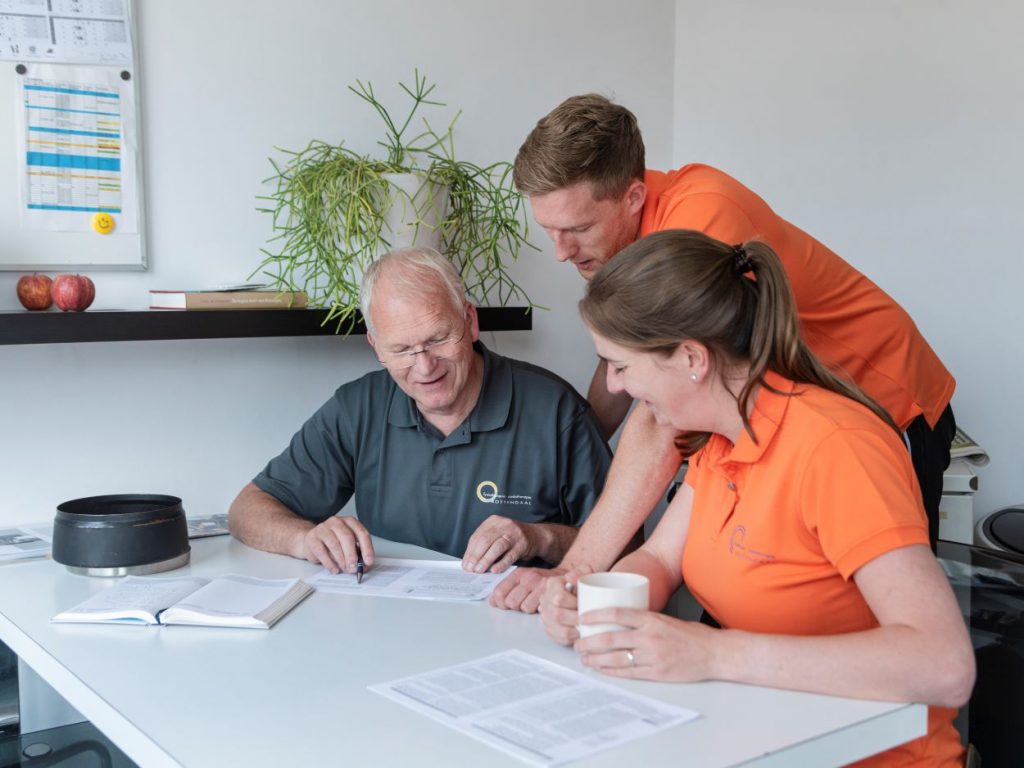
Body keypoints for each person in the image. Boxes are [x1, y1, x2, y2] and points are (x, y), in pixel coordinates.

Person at [490, 93, 955, 611]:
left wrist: (575, 569)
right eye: (549, 230)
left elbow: (657, 420)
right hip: (771, 421)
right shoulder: (638, 251)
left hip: (883, 398)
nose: (561, 251)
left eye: (577, 229)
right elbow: (627, 367)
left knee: (871, 612)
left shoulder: (700, 217)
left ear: (633, 196)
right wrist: (567, 454)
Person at [542, 229, 974, 767]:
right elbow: (659, 559)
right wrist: (602, 604)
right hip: (767, 741)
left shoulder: (836, 449)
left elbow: (944, 665)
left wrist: (712, 652)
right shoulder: (720, 436)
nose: (616, 385)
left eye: (621, 365)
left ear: (692, 358)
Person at [228, 248, 611, 575]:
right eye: (401, 350)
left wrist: (539, 538)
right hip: (389, 637)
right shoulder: (357, 408)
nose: (425, 367)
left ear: (470, 321)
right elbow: (247, 509)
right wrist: (306, 539)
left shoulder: (557, 412)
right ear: (376, 347)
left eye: (438, 339)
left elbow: (623, 551)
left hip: (517, 635)